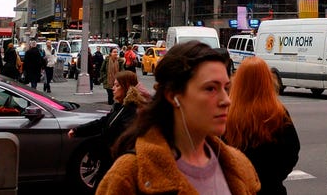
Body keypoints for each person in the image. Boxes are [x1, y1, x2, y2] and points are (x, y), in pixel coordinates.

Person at [98, 42, 259, 195]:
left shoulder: (239, 166)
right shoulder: (128, 175)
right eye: (210, 88)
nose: (226, 100)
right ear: (173, 95)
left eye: (226, 88)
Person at [224, 57, 301, 195]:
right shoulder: (278, 113)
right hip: (272, 188)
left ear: (238, 81)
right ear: (268, 80)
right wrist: (275, 176)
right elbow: (292, 151)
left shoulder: (228, 112)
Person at [71, 69, 148, 184]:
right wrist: (78, 130)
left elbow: (124, 139)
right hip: (109, 163)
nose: (113, 88)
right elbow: (103, 122)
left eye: (117, 85)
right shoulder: (120, 107)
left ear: (126, 88)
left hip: (117, 166)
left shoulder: (131, 110)